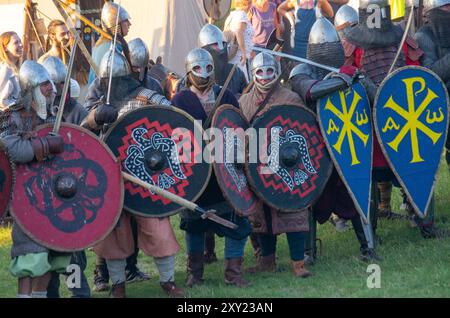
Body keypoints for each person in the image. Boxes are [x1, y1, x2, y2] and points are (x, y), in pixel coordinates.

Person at [82, 49, 183, 298]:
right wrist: (94, 119)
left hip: (146, 176)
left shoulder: (147, 96)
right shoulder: (97, 105)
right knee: (115, 233)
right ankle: (117, 284)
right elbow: (82, 134)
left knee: (157, 227)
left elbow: (175, 119)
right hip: (112, 177)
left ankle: (167, 281)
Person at [289, 17, 380, 262]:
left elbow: (373, 99)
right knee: (312, 196)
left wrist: (360, 81)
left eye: (332, 47)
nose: (329, 52)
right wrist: (341, 81)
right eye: (324, 47)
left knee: (358, 191)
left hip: (346, 143)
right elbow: (311, 91)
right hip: (315, 146)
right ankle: (309, 252)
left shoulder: (348, 70)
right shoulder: (300, 71)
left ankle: (368, 247)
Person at [1, 61, 86, 298]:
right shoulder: (12, 116)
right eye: (45, 84)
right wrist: (44, 144)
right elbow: (10, 149)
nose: (52, 88)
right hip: (26, 199)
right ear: (31, 87)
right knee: (30, 256)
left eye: (51, 83)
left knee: (51, 256)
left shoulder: (50, 114)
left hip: (55, 197)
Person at [172, 48, 252, 288]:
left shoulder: (226, 96)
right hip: (196, 173)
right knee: (194, 224)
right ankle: (195, 274)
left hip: (224, 172)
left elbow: (238, 129)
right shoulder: (180, 101)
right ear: (188, 71)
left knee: (237, 222)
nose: (204, 73)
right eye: (197, 68)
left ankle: (233, 273)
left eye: (208, 68)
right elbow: (175, 137)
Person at [239, 52, 312, 277]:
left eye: (269, 71)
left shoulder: (290, 99)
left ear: (277, 72)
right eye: (260, 72)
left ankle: (298, 263)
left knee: (293, 211)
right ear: (253, 73)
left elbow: (305, 133)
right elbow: (239, 135)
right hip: (257, 168)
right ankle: (267, 260)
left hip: (288, 167)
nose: (264, 76)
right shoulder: (244, 102)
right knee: (261, 216)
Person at [36, 57, 90, 298]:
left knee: (71, 256)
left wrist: (95, 122)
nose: (56, 90)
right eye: (50, 84)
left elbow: (90, 147)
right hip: (40, 193)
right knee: (46, 258)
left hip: (70, 192)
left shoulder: (77, 111)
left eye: (61, 84)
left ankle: (78, 292)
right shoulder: (29, 113)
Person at [88, 1, 132, 85]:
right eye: (125, 20)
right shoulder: (112, 47)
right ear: (116, 24)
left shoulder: (100, 44)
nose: (129, 24)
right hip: (104, 95)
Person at [224, 0, 255, 81]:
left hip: (233, 56)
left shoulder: (231, 16)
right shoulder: (242, 15)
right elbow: (239, 31)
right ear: (248, 3)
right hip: (240, 57)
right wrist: (244, 53)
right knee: (244, 84)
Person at [0, 31, 22, 110]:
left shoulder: (17, 67)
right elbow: (1, 100)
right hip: (8, 118)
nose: (21, 45)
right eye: (16, 42)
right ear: (5, 48)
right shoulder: (5, 69)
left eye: (20, 41)